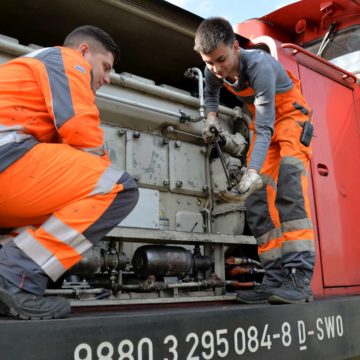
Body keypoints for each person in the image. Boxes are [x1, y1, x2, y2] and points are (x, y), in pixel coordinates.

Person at [0, 25, 139, 319]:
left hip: (9, 168)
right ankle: (16, 274)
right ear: (84, 51)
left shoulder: (33, 71)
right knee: (118, 188)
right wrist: (105, 168)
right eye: (105, 67)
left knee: (59, 204)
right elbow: (80, 130)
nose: (107, 78)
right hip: (6, 159)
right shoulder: (65, 59)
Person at [194, 17, 315, 304]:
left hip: (290, 121)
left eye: (221, 60)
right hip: (263, 127)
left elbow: (264, 128)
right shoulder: (213, 68)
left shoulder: (259, 67)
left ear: (235, 47)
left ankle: (299, 277)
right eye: (209, 63)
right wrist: (211, 117)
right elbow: (210, 92)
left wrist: (251, 170)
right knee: (256, 201)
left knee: (289, 189)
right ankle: (273, 278)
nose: (216, 69)